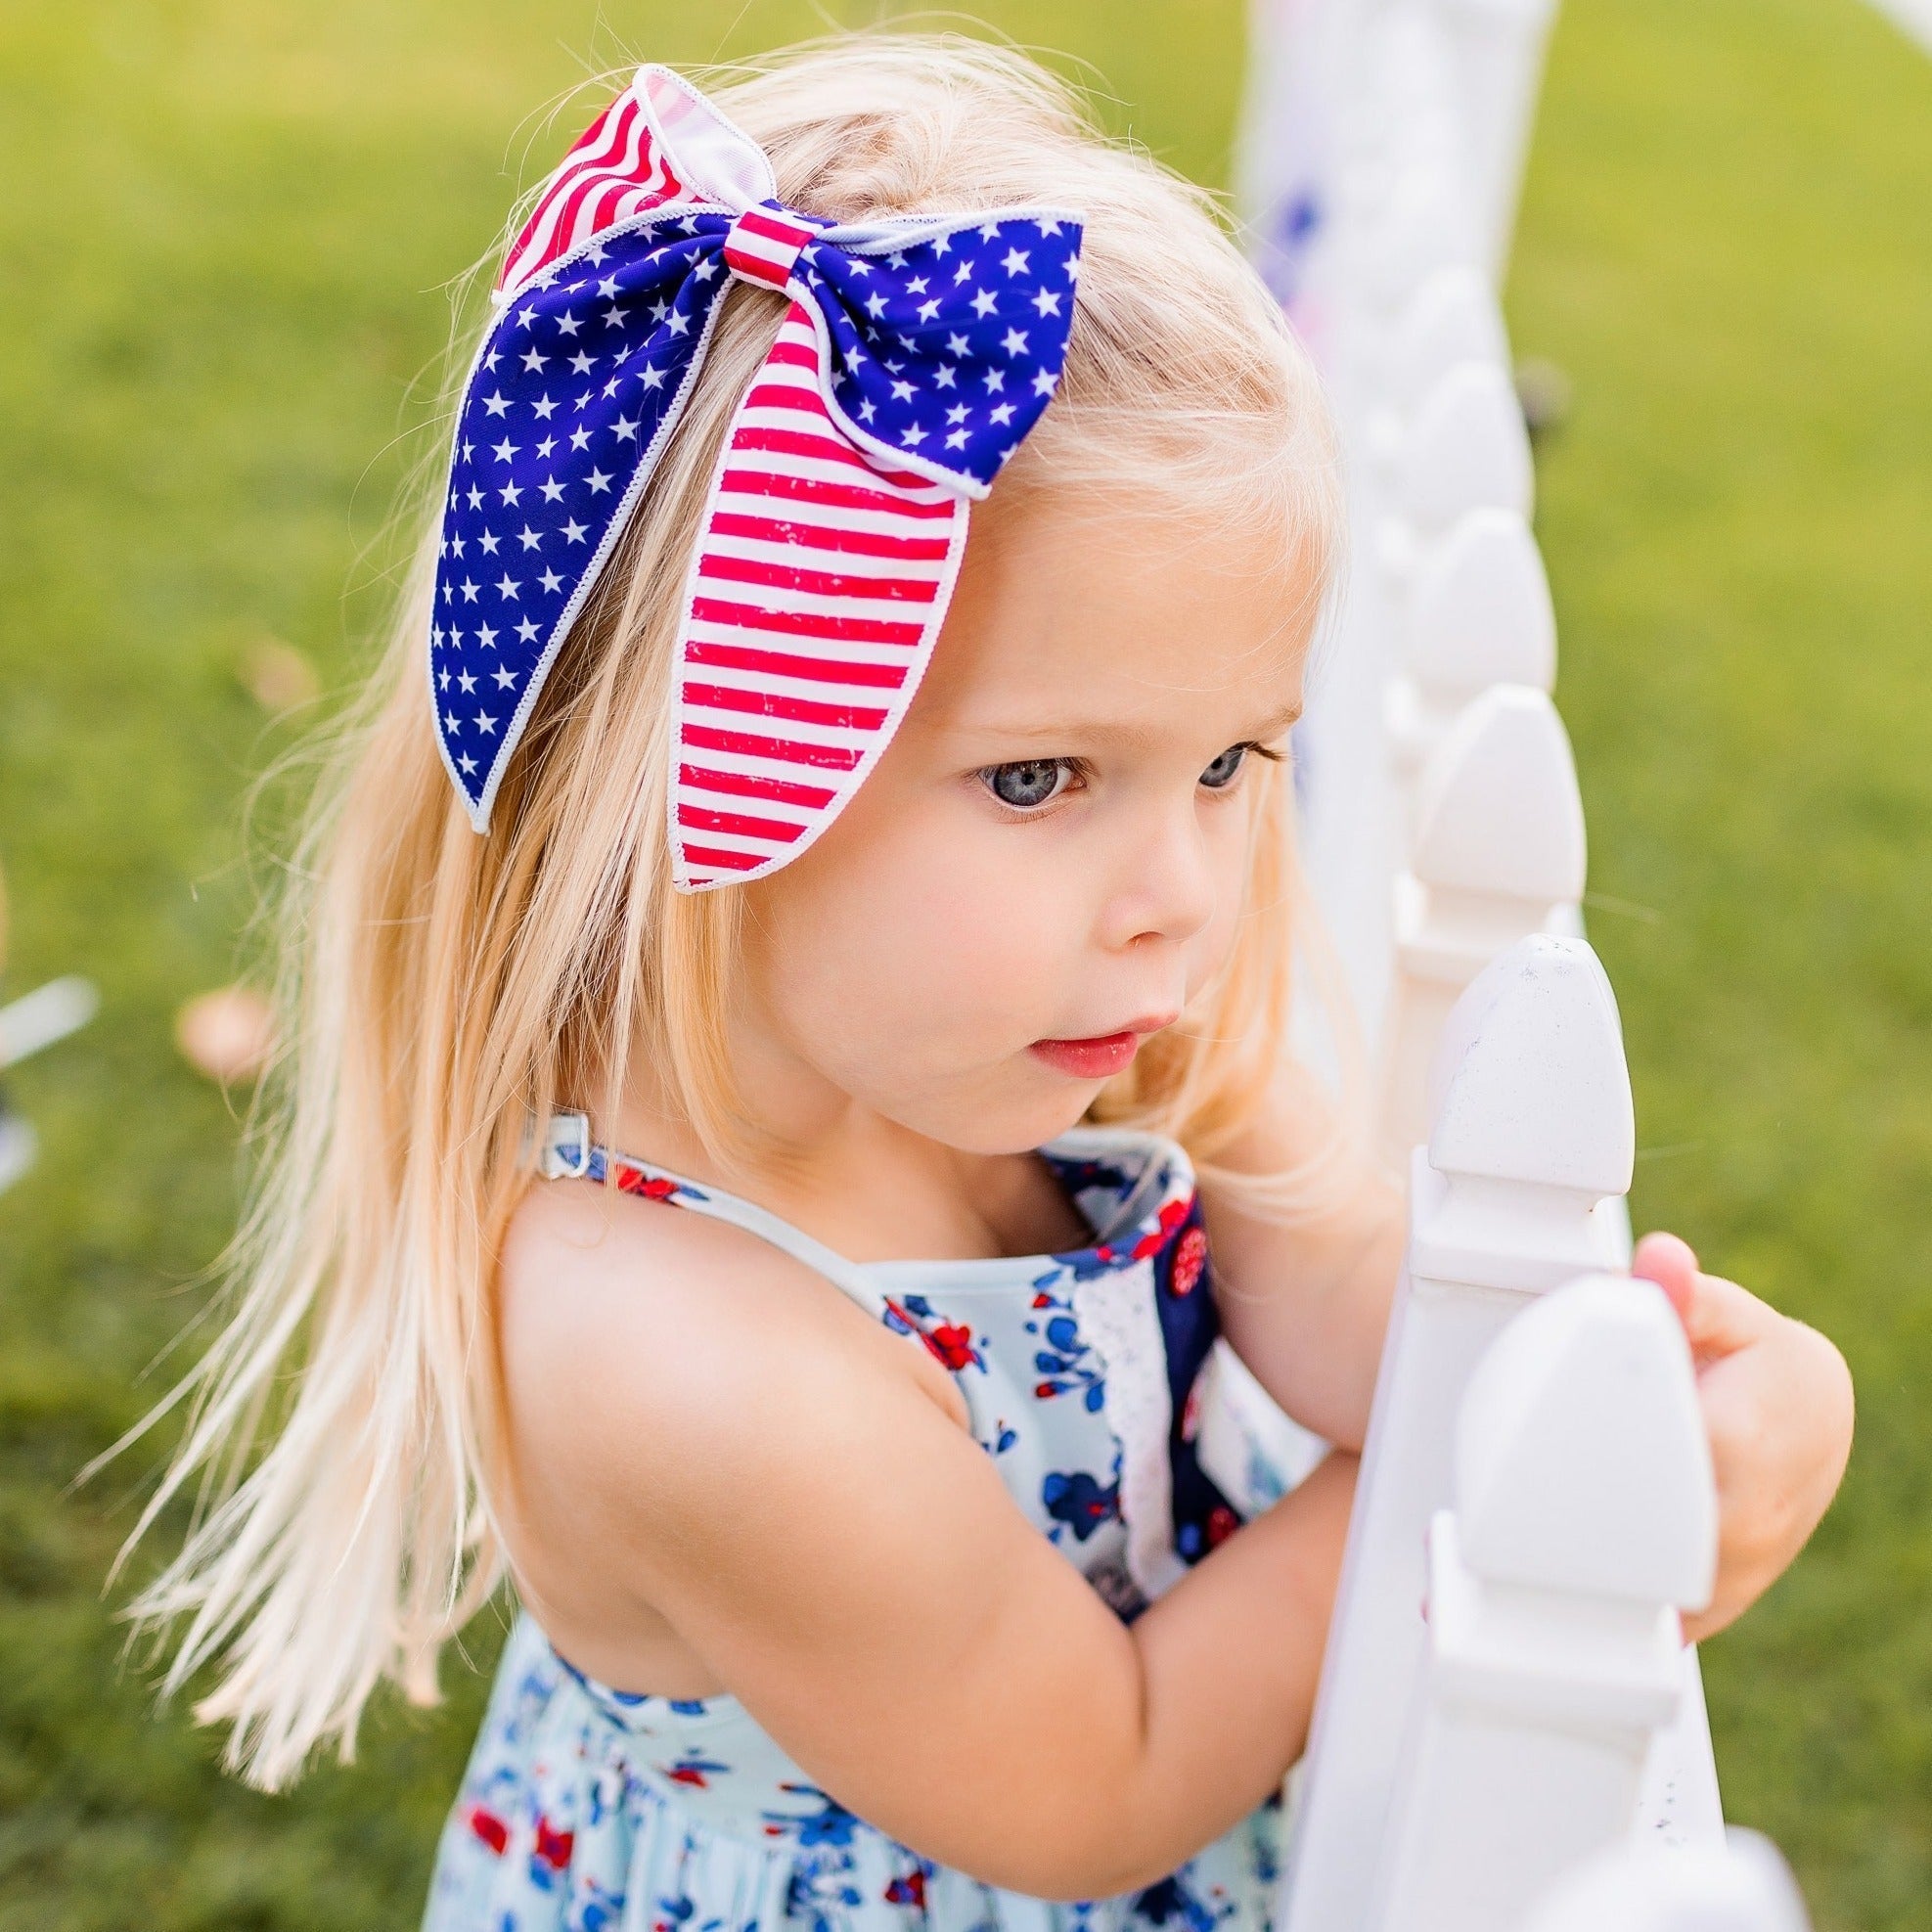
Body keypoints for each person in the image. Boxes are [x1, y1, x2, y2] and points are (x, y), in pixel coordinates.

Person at [106, 36, 1853, 1932]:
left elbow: (1357, 1289)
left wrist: (1649, 1393)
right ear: (688, 764)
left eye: (1232, 760)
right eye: (1040, 780)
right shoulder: (676, 1347)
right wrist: (1470, 1509)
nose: (1178, 893)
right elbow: (1099, 1769)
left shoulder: (1049, 1025)